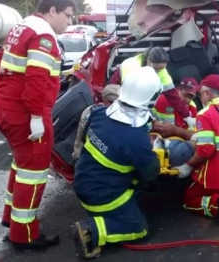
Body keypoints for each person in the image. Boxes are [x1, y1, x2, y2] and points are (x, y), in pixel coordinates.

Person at [0, 0, 75, 250]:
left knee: (21, 167)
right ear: (53, 11)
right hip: (28, 116)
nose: (70, 22)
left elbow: (1, 59)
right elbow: (37, 80)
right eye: (68, 15)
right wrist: (38, 118)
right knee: (33, 175)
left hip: (9, 111)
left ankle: (12, 219)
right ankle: (25, 234)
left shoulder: (22, 27)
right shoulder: (44, 36)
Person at [72, 66, 162, 259]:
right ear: (152, 98)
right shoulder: (135, 139)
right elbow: (151, 172)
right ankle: (91, 230)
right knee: (139, 228)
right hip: (101, 198)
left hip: (83, 182)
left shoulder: (98, 114)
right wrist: (154, 151)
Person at [172, 74, 219, 224]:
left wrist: (187, 166)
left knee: (189, 199)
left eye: (200, 94)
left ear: (206, 93)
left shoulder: (205, 114)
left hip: (213, 178)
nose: (200, 98)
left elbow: (205, 149)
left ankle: (215, 205)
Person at [109, 47, 196, 129]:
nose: (158, 72)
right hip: (117, 91)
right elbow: (127, 96)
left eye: (161, 69)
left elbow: (173, 96)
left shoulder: (161, 70)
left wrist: (186, 116)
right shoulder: (132, 67)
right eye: (156, 68)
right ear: (148, 60)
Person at [72, 84, 120, 161]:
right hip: (86, 157)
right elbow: (82, 138)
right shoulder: (90, 112)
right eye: (111, 102)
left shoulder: (120, 117)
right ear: (104, 100)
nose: (114, 106)